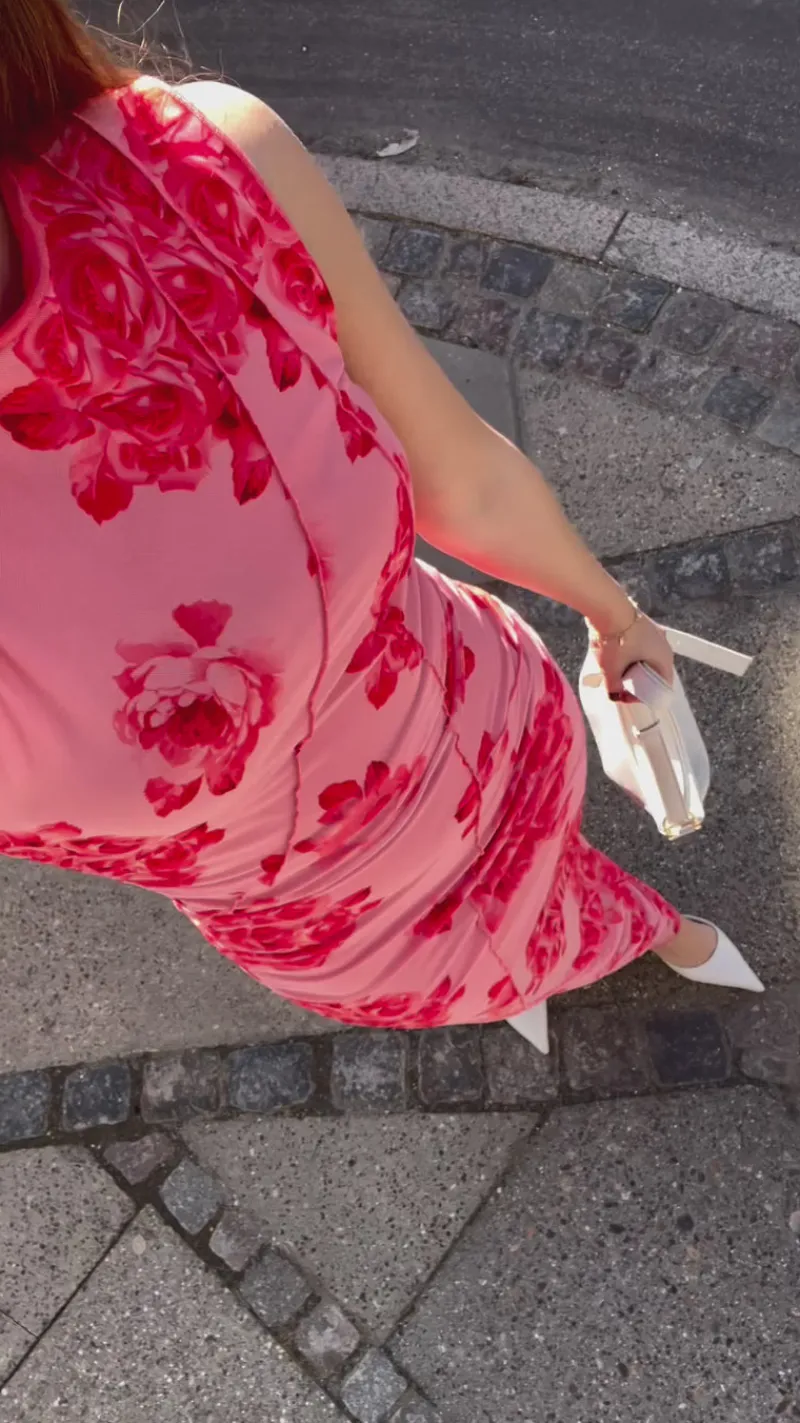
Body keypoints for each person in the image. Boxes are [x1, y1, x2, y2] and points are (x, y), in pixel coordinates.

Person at [0, 1, 762, 1057]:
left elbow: (462, 478)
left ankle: (636, 926)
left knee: (564, 872)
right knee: (527, 947)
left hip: (490, 713)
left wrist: (615, 615)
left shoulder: (195, 165)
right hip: (356, 929)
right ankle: (623, 937)